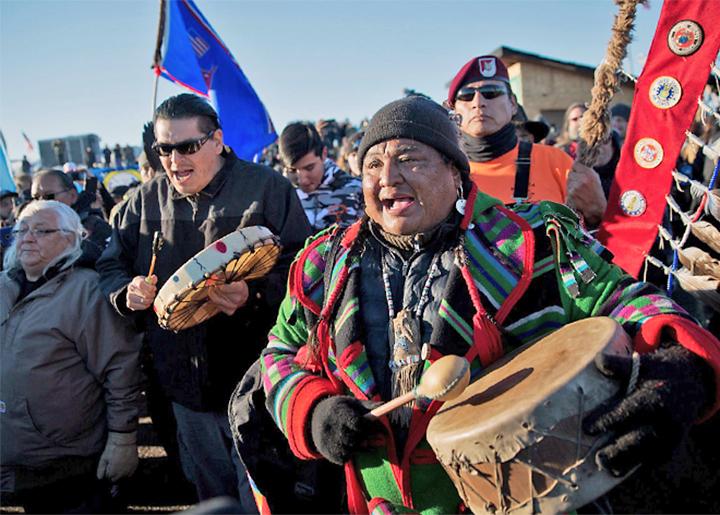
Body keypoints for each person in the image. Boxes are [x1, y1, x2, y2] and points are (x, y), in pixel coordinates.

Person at [259, 96, 720, 513]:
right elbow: (278, 354)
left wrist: (682, 364)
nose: (387, 177)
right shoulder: (325, 264)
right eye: (373, 164)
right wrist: (311, 409)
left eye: (409, 159)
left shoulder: (535, 240)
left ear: (456, 172)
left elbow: (625, 300)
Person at [96, 93, 312, 509]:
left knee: (264, 498)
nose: (174, 160)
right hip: (182, 385)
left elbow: (304, 268)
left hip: (256, 381)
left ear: (216, 139)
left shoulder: (267, 188)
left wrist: (255, 293)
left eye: (186, 146)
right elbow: (111, 267)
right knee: (213, 498)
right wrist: (128, 292)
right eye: (164, 149)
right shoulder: (141, 202)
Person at [0, 200, 141, 514]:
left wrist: (123, 438)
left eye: (42, 230)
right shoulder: (3, 285)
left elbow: (120, 368)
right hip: (15, 456)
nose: (27, 237)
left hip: (68, 460)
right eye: (21, 229)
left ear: (71, 238)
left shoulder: (87, 291)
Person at [446, 56, 606, 226]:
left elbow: (598, 237)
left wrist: (598, 212)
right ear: (453, 110)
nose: (478, 102)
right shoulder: (445, 174)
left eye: (491, 93)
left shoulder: (555, 162)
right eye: (467, 95)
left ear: (513, 104)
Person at [279, 121, 362, 232]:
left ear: (323, 154)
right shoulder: (281, 196)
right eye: (292, 170)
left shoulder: (356, 189)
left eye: (309, 168)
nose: (302, 180)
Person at [31, 168, 111, 268]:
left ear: (72, 195)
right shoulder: (28, 232)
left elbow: (109, 266)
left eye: (49, 196)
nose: (42, 203)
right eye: (36, 198)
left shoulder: (94, 227)